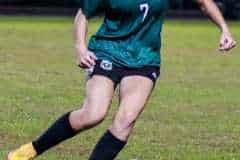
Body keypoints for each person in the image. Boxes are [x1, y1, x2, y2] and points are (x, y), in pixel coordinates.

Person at [8, 0, 236, 160]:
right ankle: (30, 151)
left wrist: (224, 29)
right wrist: (80, 47)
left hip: (144, 58)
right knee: (93, 114)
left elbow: (204, 2)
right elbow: (83, 14)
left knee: (125, 121)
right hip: (108, 51)